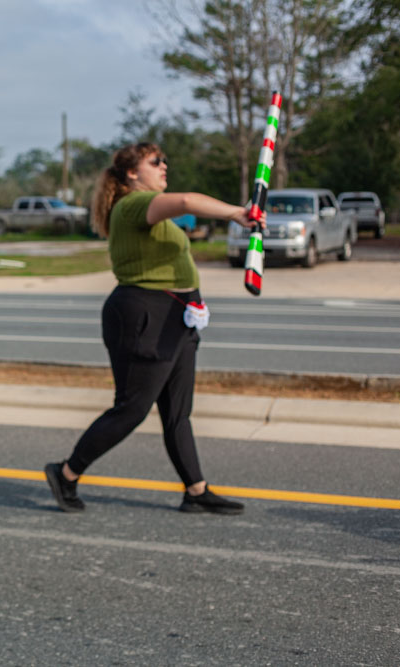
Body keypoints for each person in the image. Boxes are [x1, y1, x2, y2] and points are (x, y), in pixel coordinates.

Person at [45, 142, 260, 515]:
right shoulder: (132, 204)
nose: (164, 165)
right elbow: (187, 201)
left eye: (165, 160)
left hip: (179, 317)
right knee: (132, 409)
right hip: (144, 316)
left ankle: (195, 490)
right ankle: (66, 473)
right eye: (155, 161)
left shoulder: (150, 212)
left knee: (178, 412)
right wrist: (237, 213)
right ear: (132, 173)